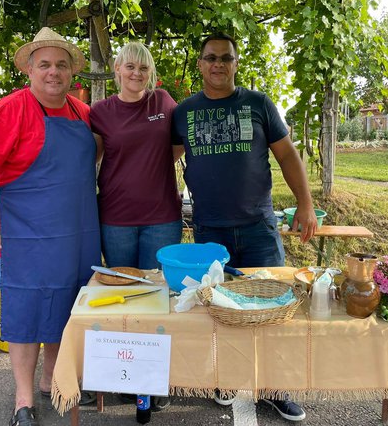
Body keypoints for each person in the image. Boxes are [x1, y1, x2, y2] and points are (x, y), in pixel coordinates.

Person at [171, 32, 318, 422]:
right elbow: (164, 161)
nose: (218, 64)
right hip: (209, 231)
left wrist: (306, 204)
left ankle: (275, 388)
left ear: (236, 63)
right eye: (211, 57)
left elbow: (287, 156)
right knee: (217, 309)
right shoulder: (183, 112)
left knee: (275, 306)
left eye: (226, 57)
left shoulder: (258, 103)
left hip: (258, 227)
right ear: (200, 64)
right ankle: (223, 379)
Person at [0, 27, 100, 426]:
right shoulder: (9, 110)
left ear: (71, 72)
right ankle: (23, 400)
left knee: (66, 305)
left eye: (61, 65)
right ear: (29, 69)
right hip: (25, 232)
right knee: (26, 311)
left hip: (76, 232)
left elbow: (96, 156)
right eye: (44, 64)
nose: (53, 72)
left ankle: (51, 381)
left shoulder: (82, 112)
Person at [90, 41, 182, 270]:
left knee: (158, 289)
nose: (136, 73)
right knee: (123, 288)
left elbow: (180, 143)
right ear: (118, 68)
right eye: (130, 66)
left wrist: (155, 163)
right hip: (116, 219)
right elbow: (93, 158)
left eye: (143, 68)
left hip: (163, 218)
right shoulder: (101, 111)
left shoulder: (163, 100)